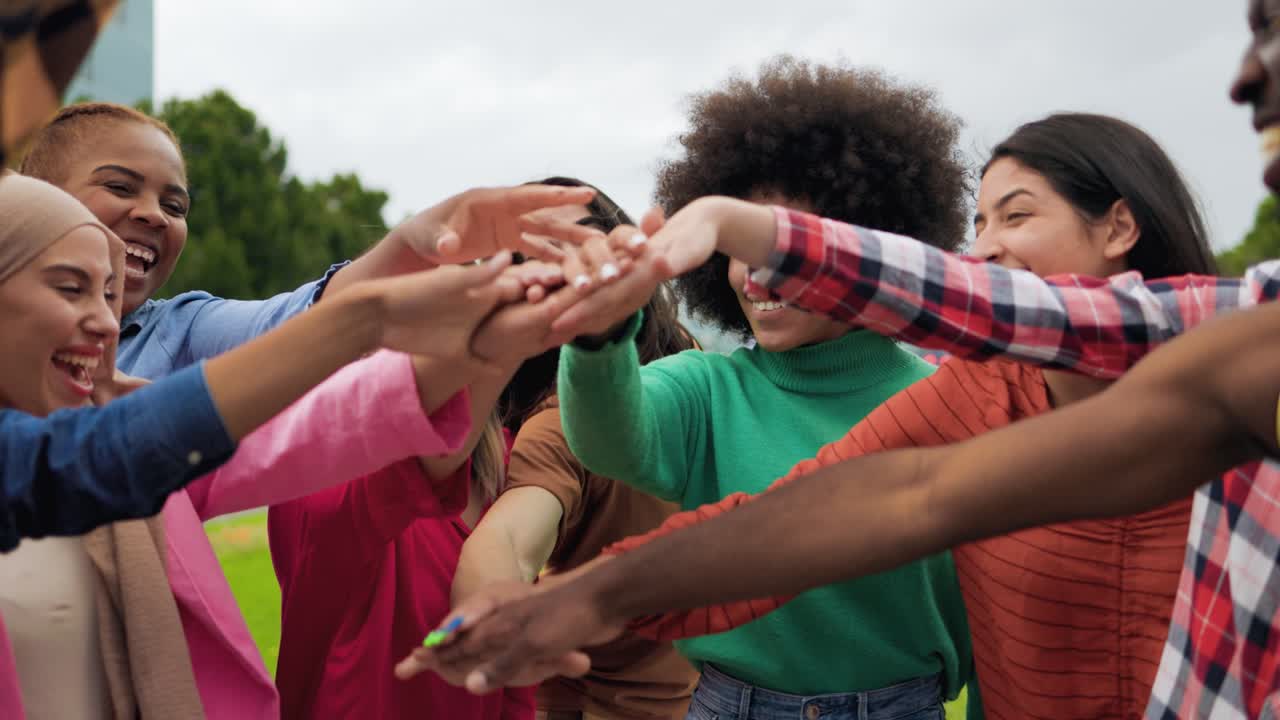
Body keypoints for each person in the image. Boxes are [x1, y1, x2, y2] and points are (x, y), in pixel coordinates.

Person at [406, 4, 1280, 714]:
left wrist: (744, 226)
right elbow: (892, 487)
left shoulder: (1222, 342)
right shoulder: (992, 383)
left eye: (1016, 216)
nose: (985, 247)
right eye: (979, 223)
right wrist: (620, 322)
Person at [0, 172, 587, 719]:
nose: (107, 324)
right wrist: (371, 314)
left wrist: (493, 339)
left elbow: (312, 430)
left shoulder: (127, 442)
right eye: (70, 288)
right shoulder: (105, 448)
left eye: (108, 295)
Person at [543, 57, 977, 720]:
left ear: (867, 249)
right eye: (741, 248)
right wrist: (598, 336)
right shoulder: (705, 389)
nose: (756, 279)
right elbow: (608, 440)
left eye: (783, 251)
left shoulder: (953, 403)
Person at [20, 102, 584, 380]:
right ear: (33, 197)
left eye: (175, 206)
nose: (154, 215)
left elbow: (308, 318)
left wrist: (409, 247)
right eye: (120, 187)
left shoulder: (182, 333)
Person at [450, 178, 698, 720]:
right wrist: (493, 617)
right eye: (541, 255)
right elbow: (510, 541)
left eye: (585, 238)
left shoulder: (695, 369)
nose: (573, 265)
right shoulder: (559, 424)